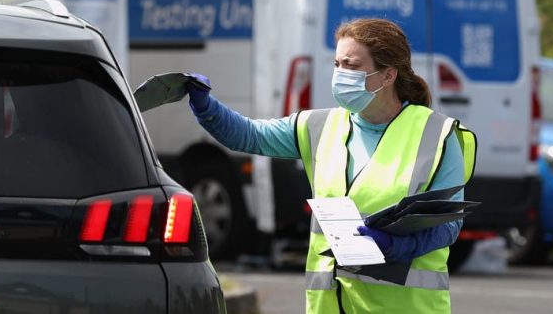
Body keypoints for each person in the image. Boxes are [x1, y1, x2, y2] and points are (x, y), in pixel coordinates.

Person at [185, 18, 476, 314]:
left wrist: (393, 245)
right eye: (337, 64)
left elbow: (448, 227)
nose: (340, 75)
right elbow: (249, 135)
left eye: (351, 65)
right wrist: (205, 107)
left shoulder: (438, 135)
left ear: (388, 75)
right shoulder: (321, 126)